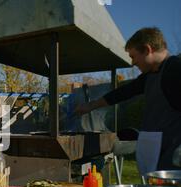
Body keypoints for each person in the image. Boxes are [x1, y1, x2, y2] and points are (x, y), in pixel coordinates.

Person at [75, 27, 181, 175]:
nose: (132, 63)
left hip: (174, 155)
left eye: (133, 56)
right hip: (157, 148)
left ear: (147, 49)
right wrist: (91, 106)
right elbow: (123, 93)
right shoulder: (150, 75)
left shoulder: (175, 69)